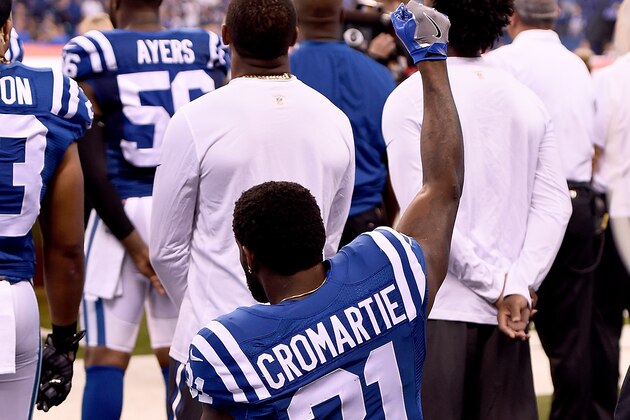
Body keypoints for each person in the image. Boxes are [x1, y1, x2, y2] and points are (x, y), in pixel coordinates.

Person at [185, 2, 462, 417]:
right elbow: (442, 187)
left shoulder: (232, 346)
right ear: (322, 233)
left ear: (247, 253)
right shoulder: (389, 273)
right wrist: (432, 61)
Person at [149, 0, 355, 417]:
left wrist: (204, 302)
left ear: (225, 35)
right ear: (293, 40)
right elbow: (328, 242)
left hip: (213, 338)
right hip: (300, 346)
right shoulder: (335, 119)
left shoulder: (195, 119)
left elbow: (165, 249)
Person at [383, 0, 573, 418]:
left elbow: (424, 218)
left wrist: (506, 286)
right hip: (507, 313)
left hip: (440, 310)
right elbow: (555, 204)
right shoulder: (526, 101)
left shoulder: (407, 98)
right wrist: (516, 285)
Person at [60, 0, 229, 418]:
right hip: (188, 215)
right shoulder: (205, 48)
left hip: (121, 214)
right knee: (181, 358)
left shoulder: (93, 52)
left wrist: (137, 247)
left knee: (105, 358)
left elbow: (94, 172)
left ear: (115, 4)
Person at [486, 1, 598, 418]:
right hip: (580, 203)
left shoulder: (501, 63)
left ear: (512, 17)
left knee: (508, 323)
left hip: (526, 206)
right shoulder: (577, 67)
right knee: (572, 342)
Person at [0, 0, 93, 417]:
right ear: (7, 30)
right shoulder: (52, 95)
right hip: (14, 301)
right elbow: (67, 248)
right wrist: (63, 339)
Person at [290, 0, 397, 247]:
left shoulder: (282, 75)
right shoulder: (379, 75)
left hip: (300, 224)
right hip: (367, 223)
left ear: (295, 23)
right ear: (341, 17)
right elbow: (391, 160)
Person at [591, 48, 630, 420]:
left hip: (618, 214)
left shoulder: (610, 78)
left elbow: (594, 151)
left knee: (604, 328)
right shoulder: (608, 76)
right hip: (617, 213)